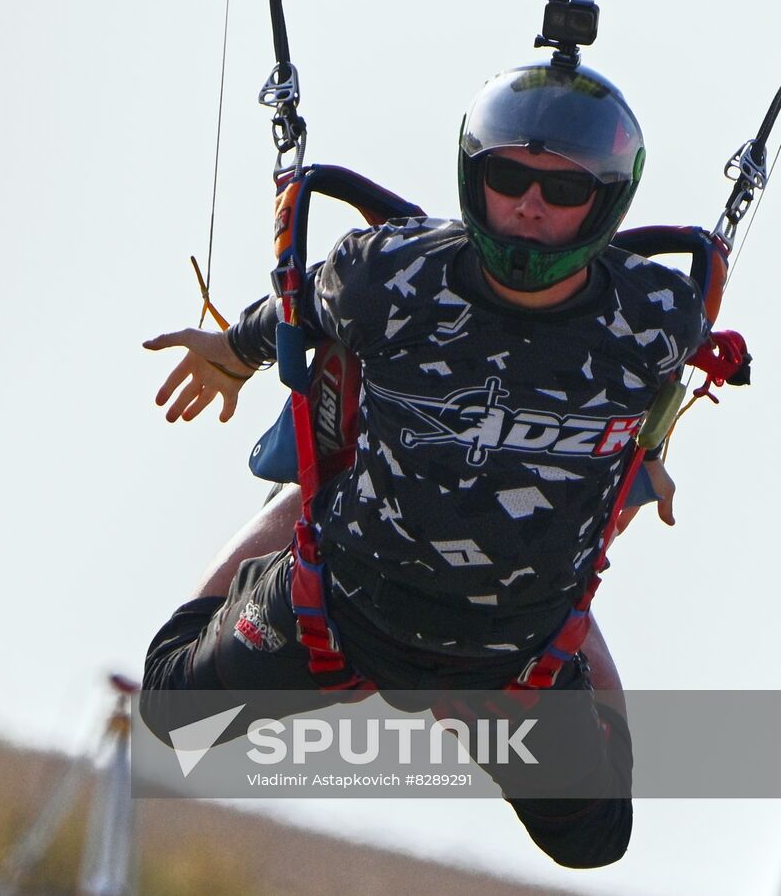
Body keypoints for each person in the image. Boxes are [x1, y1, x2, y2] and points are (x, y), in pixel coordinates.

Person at [141, 57, 708, 868]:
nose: (529, 206)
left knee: (596, 840)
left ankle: (571, 617)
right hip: (338, 609)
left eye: (563, 190)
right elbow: (297, 309)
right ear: (475, 178)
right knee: (169, 708)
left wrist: (643, 467)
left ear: (607, 200)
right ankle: (309, 500)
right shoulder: (389, 274)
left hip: (514, 659)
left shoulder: (655, 317)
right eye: (508, 177)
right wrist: (231, 351)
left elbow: (649, 418)